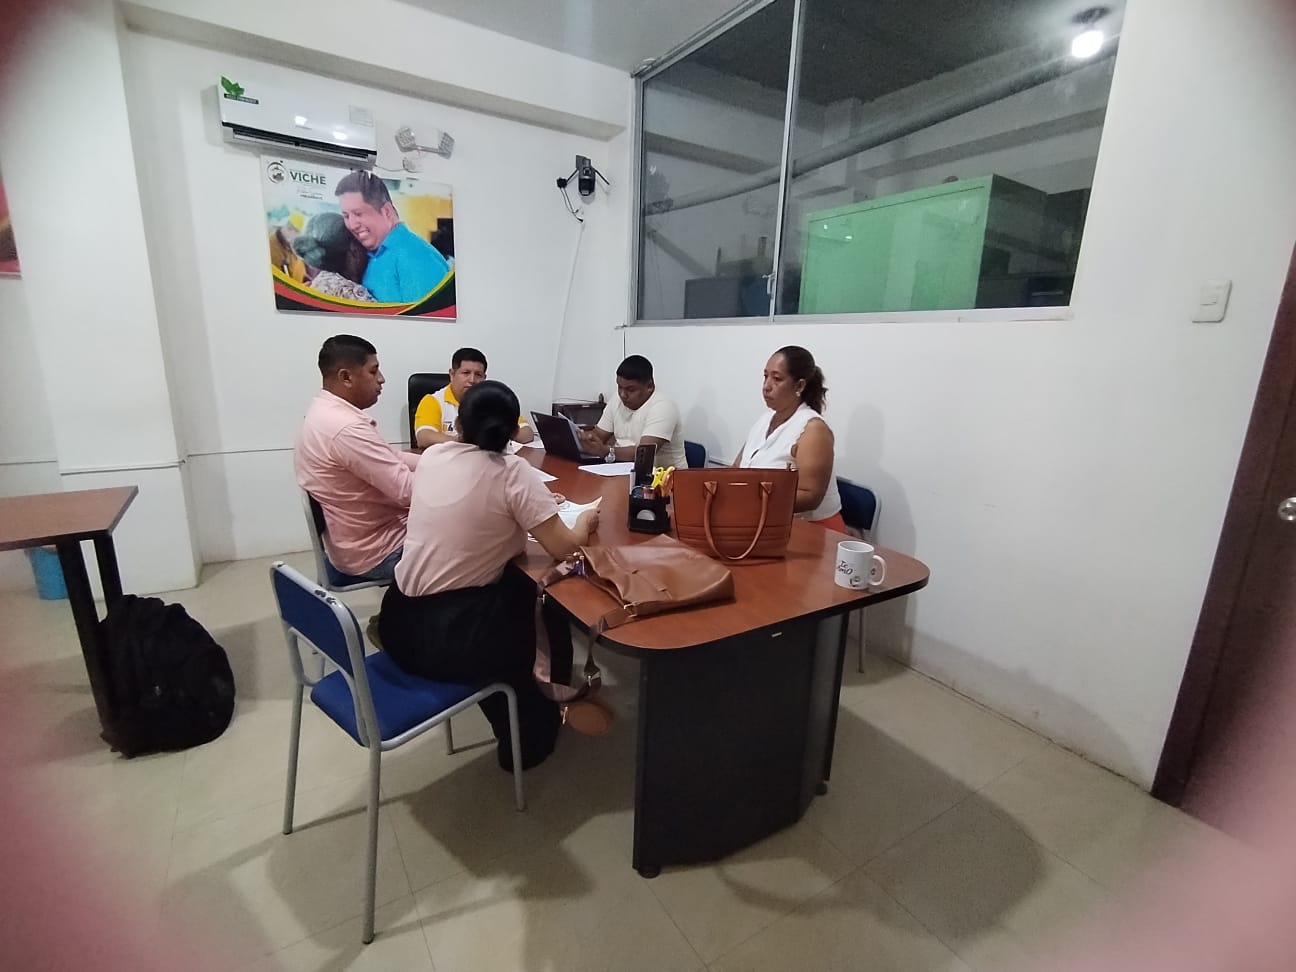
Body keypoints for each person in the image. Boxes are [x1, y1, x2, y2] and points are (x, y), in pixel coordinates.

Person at [378, 380, 599, 771]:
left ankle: (530, 709)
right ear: (513, 430)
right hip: (447, 640)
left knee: (519, 588)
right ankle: (532, 736)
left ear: (458, 425)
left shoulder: (433, 457)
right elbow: (566, 550)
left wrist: (534, 504)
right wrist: (586, 520)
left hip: (396, 622)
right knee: (547, 608)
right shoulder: (514, 472)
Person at [294, 335, 415, 582]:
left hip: (355, 543)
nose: (382, 379)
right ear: (346, 377)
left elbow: (391, 456)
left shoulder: (324, 411)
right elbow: (407, 490)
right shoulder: (345, 428)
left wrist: (444, 460)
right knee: (481, 539)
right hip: (381, 551)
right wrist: (459, 477)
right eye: (373, 371)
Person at [734, 346, 845, 529]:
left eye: (777, 379)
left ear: (799, 386)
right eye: (765, 376)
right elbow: (736, 469)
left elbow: (810, 496)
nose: (766, 386)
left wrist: (752, 500)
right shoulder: (765, 419)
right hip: (764, 520)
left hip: (812, 530)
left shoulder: (813, 429)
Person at [334, 170, 450, 303]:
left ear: (387, 212)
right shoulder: (367, 255)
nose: (352, 225)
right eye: (346, 216)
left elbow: (431, 315)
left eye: (358, 214)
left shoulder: (417, 257)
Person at [578, 355, 687, 470]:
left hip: (666, 477)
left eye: (631, 390)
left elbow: (644, 453)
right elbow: (599, 435)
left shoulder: (664, 406)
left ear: (649, 386)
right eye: (619, 387)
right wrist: (585, 438)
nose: (623, 394)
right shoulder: (617, 399)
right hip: (621, 471)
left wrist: (606, 451)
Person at [413, 347, 534, 447]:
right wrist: (466, 441)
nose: (472, 380)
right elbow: (424, 437)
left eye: (478, 375)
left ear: (484, 378)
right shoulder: (433, 401)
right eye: (466, 373)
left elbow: (526, 433)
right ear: (452, 374)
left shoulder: (493, 399)